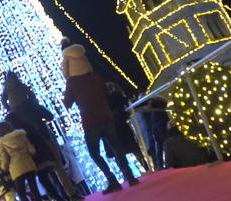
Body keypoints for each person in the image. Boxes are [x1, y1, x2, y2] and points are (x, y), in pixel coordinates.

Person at [61, 38, 139, 194]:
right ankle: (130, 176)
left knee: (94, 153)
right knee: (117, 148)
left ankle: (112, 180)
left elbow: (67, 103)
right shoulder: (96, 77)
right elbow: (105, 93)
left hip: (90, 122)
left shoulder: (72, 84)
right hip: (106, 116)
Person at [106, 82, 149, 170]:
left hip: (114, 129)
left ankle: (127, 173)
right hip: (123, 126)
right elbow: (126, 103)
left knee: (120, 154)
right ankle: (145, 166)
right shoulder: (117, 96)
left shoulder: (105, 101)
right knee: (134, 148)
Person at [0, 121, 42, 201]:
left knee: (22, 194)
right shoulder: (20, 135)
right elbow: (32, 150)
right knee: (35, 190)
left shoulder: (2, 142)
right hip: (28, 165)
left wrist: (3, 166)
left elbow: (5, 160)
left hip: (16, 170)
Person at [149, 97, 169, 170]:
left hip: (157, 130)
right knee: (164, 146)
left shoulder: (153, 112)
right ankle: (164, 163)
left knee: (160, 148)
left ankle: (160, 165)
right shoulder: (161, 111)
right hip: (162, 129)